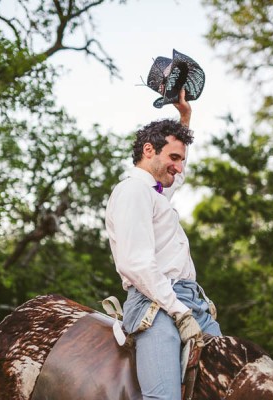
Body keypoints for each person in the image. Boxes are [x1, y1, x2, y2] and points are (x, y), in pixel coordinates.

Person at [105, 89, 220, 400]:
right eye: (173, 158)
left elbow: (176, 178)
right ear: (148, 150)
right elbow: (135, 264)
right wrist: (180, 313)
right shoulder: (133, 192)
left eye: (182, 159)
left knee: (228, 388)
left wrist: (185, 119)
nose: (179, 167)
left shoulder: (155, 192)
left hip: (192, 303)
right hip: (154, 306)